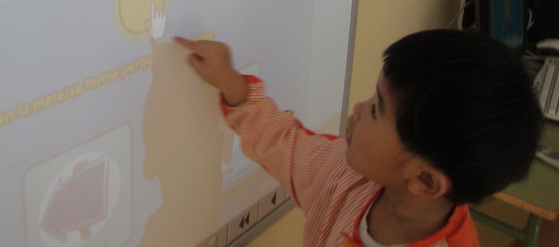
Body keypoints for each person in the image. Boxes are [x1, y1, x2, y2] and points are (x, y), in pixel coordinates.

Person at [176, 29, 544, 247]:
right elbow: (284, 143)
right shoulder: (349, 177)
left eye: (376, 109)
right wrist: (232, 84)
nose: (357, 107)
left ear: (424, 179)